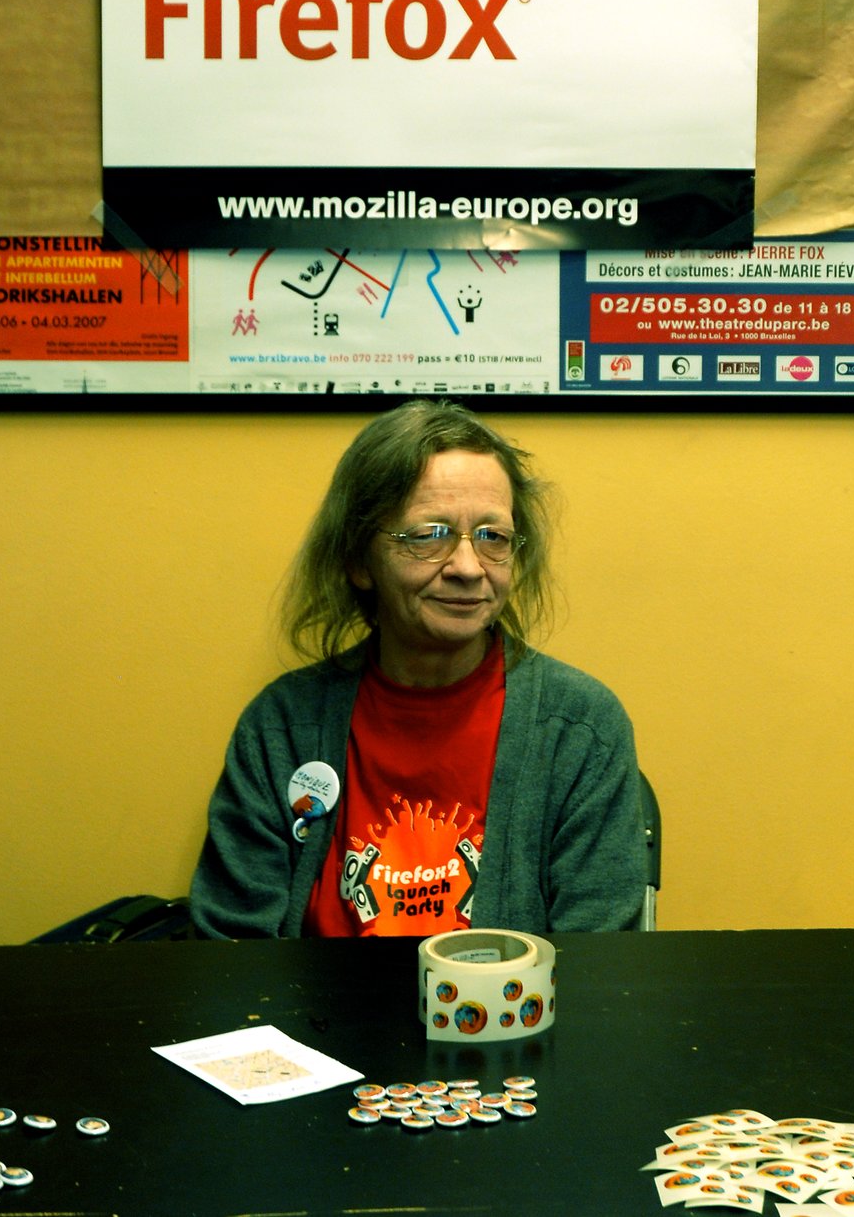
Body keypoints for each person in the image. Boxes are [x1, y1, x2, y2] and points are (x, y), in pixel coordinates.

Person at [189, 400, 647, 938]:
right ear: (360, 560)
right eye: (429, 535)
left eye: (493, 537)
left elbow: (599, 966)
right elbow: (230, 957)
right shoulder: (281, 729)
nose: (468, 568)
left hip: (516, 1025)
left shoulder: (580, 730)